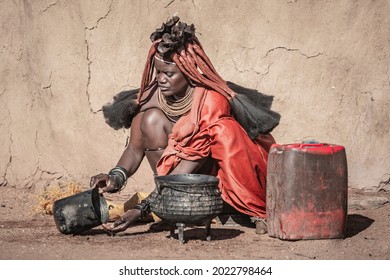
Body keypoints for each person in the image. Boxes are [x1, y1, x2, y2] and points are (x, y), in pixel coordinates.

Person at [90, 16, 280, 235]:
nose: (161, 79)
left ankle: (227, 207)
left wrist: (143, 209)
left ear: (188, 73)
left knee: (225, 132)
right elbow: (134, 148)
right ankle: (175, 207)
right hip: (175, 181)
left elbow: (188, 166)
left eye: (169, 74)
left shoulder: (209, 100)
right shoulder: (152, 95)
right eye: (158, 71)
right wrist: (114, 178)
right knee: (149, 120)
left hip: (211, 177)